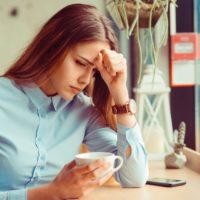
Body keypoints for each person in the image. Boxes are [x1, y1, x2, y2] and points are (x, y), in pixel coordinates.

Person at [0, 3, 148, 200]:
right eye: (80, 63)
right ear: (52, 47)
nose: (85, 80)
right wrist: (50, 194)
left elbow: (133, 177)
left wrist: (119, 91)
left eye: (94, 71)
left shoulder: (83, 112)